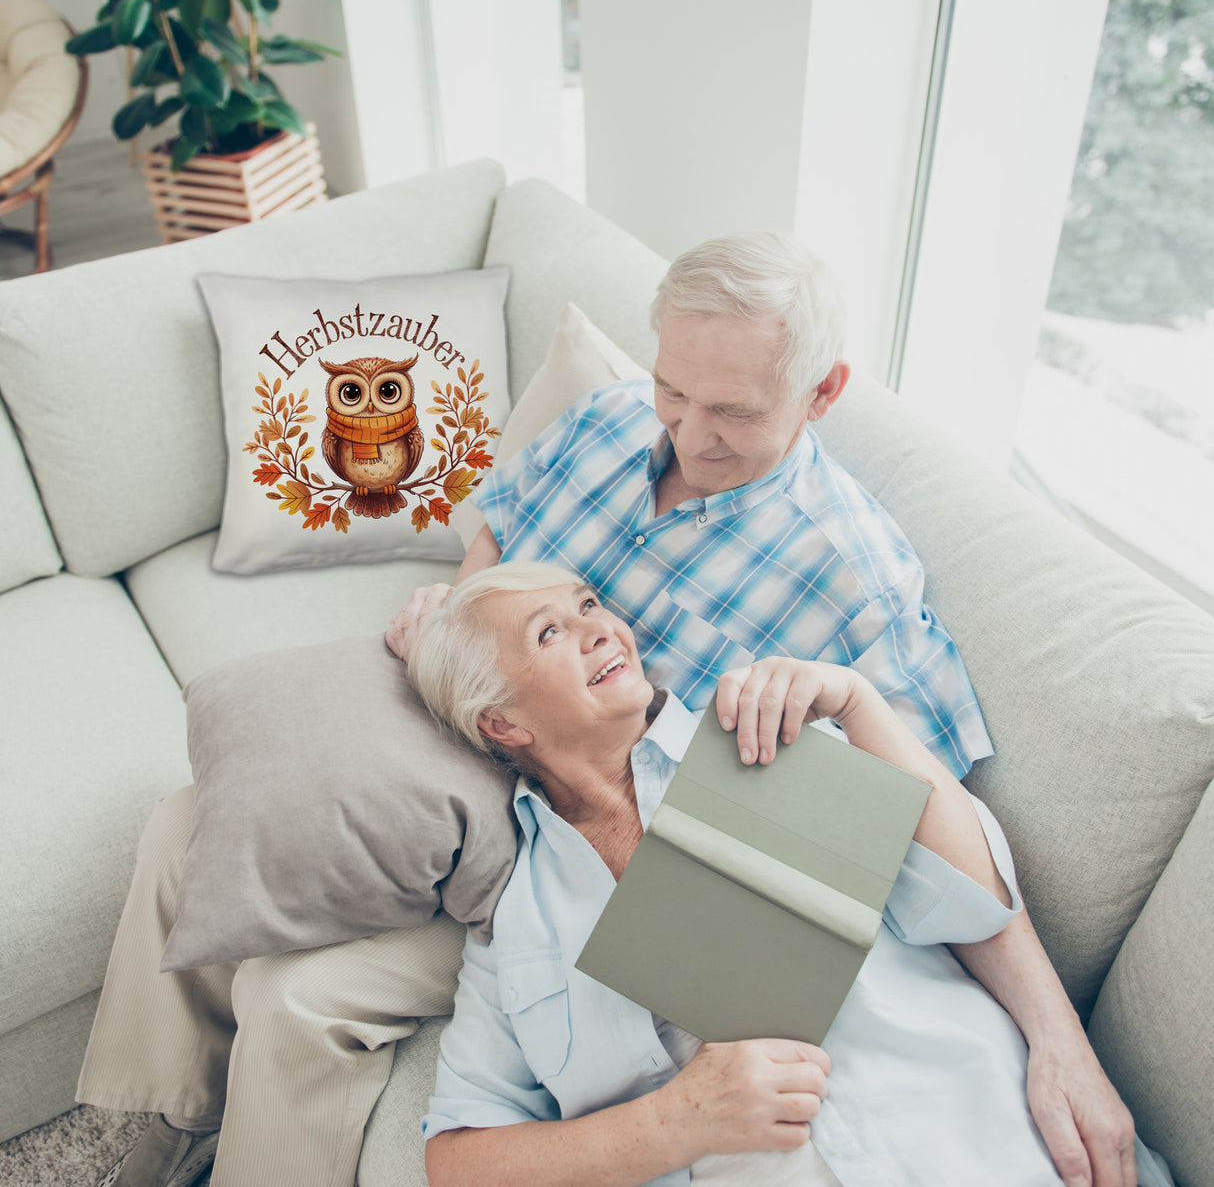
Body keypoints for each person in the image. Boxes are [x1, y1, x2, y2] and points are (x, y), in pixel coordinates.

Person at [79, 233, 1131, 1187]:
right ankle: (159, 1123)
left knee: (300, 997)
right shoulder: (607, 420)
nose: (687, 430)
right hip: (487, 719)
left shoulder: (853, 580)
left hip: (578, 825)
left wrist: (1057, 1036)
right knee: (192, 820)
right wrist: (457, 617)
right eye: (674, 388)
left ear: (820, 393)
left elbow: (927, 828)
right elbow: (500, 534)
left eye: (732, 411)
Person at [407, 561, 1159, 1187]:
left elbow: (972, 901)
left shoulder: (762, 734)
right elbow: (458, 1160)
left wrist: (858, 703)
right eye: (550, 632)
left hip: (986, 1140)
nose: (601, 628)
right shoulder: (517, 925)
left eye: (589, 605)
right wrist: (674, 1122)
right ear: (502, 723)